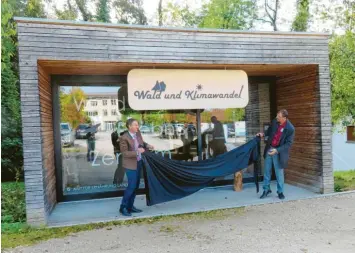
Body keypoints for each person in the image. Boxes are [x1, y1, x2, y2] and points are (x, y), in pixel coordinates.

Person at [257, 109, 295, 200]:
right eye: (277, 115)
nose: (276, 117)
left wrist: (277, 150)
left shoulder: (290, 128)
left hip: (279, 152)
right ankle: (266, 190)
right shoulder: (275, 122)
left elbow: (288, 144)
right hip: (270, 149)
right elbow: (269, 131)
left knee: (279, 174)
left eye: (279, 116)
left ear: (284, 118)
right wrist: (263, 134)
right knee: (267, 171)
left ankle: (280, 192)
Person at [119, 118, 154, 216]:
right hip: (130, 165)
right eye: (135, 125)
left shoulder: (138, 134)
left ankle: (130, 206)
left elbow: (141, 143)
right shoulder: (124, 137)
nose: (137, 127)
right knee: (131, 186)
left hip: (138, 163)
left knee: (136, 186)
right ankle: (123, 207)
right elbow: (124, 153)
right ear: (129, 126)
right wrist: (138, 151)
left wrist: (148, 145)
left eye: (137, 125)